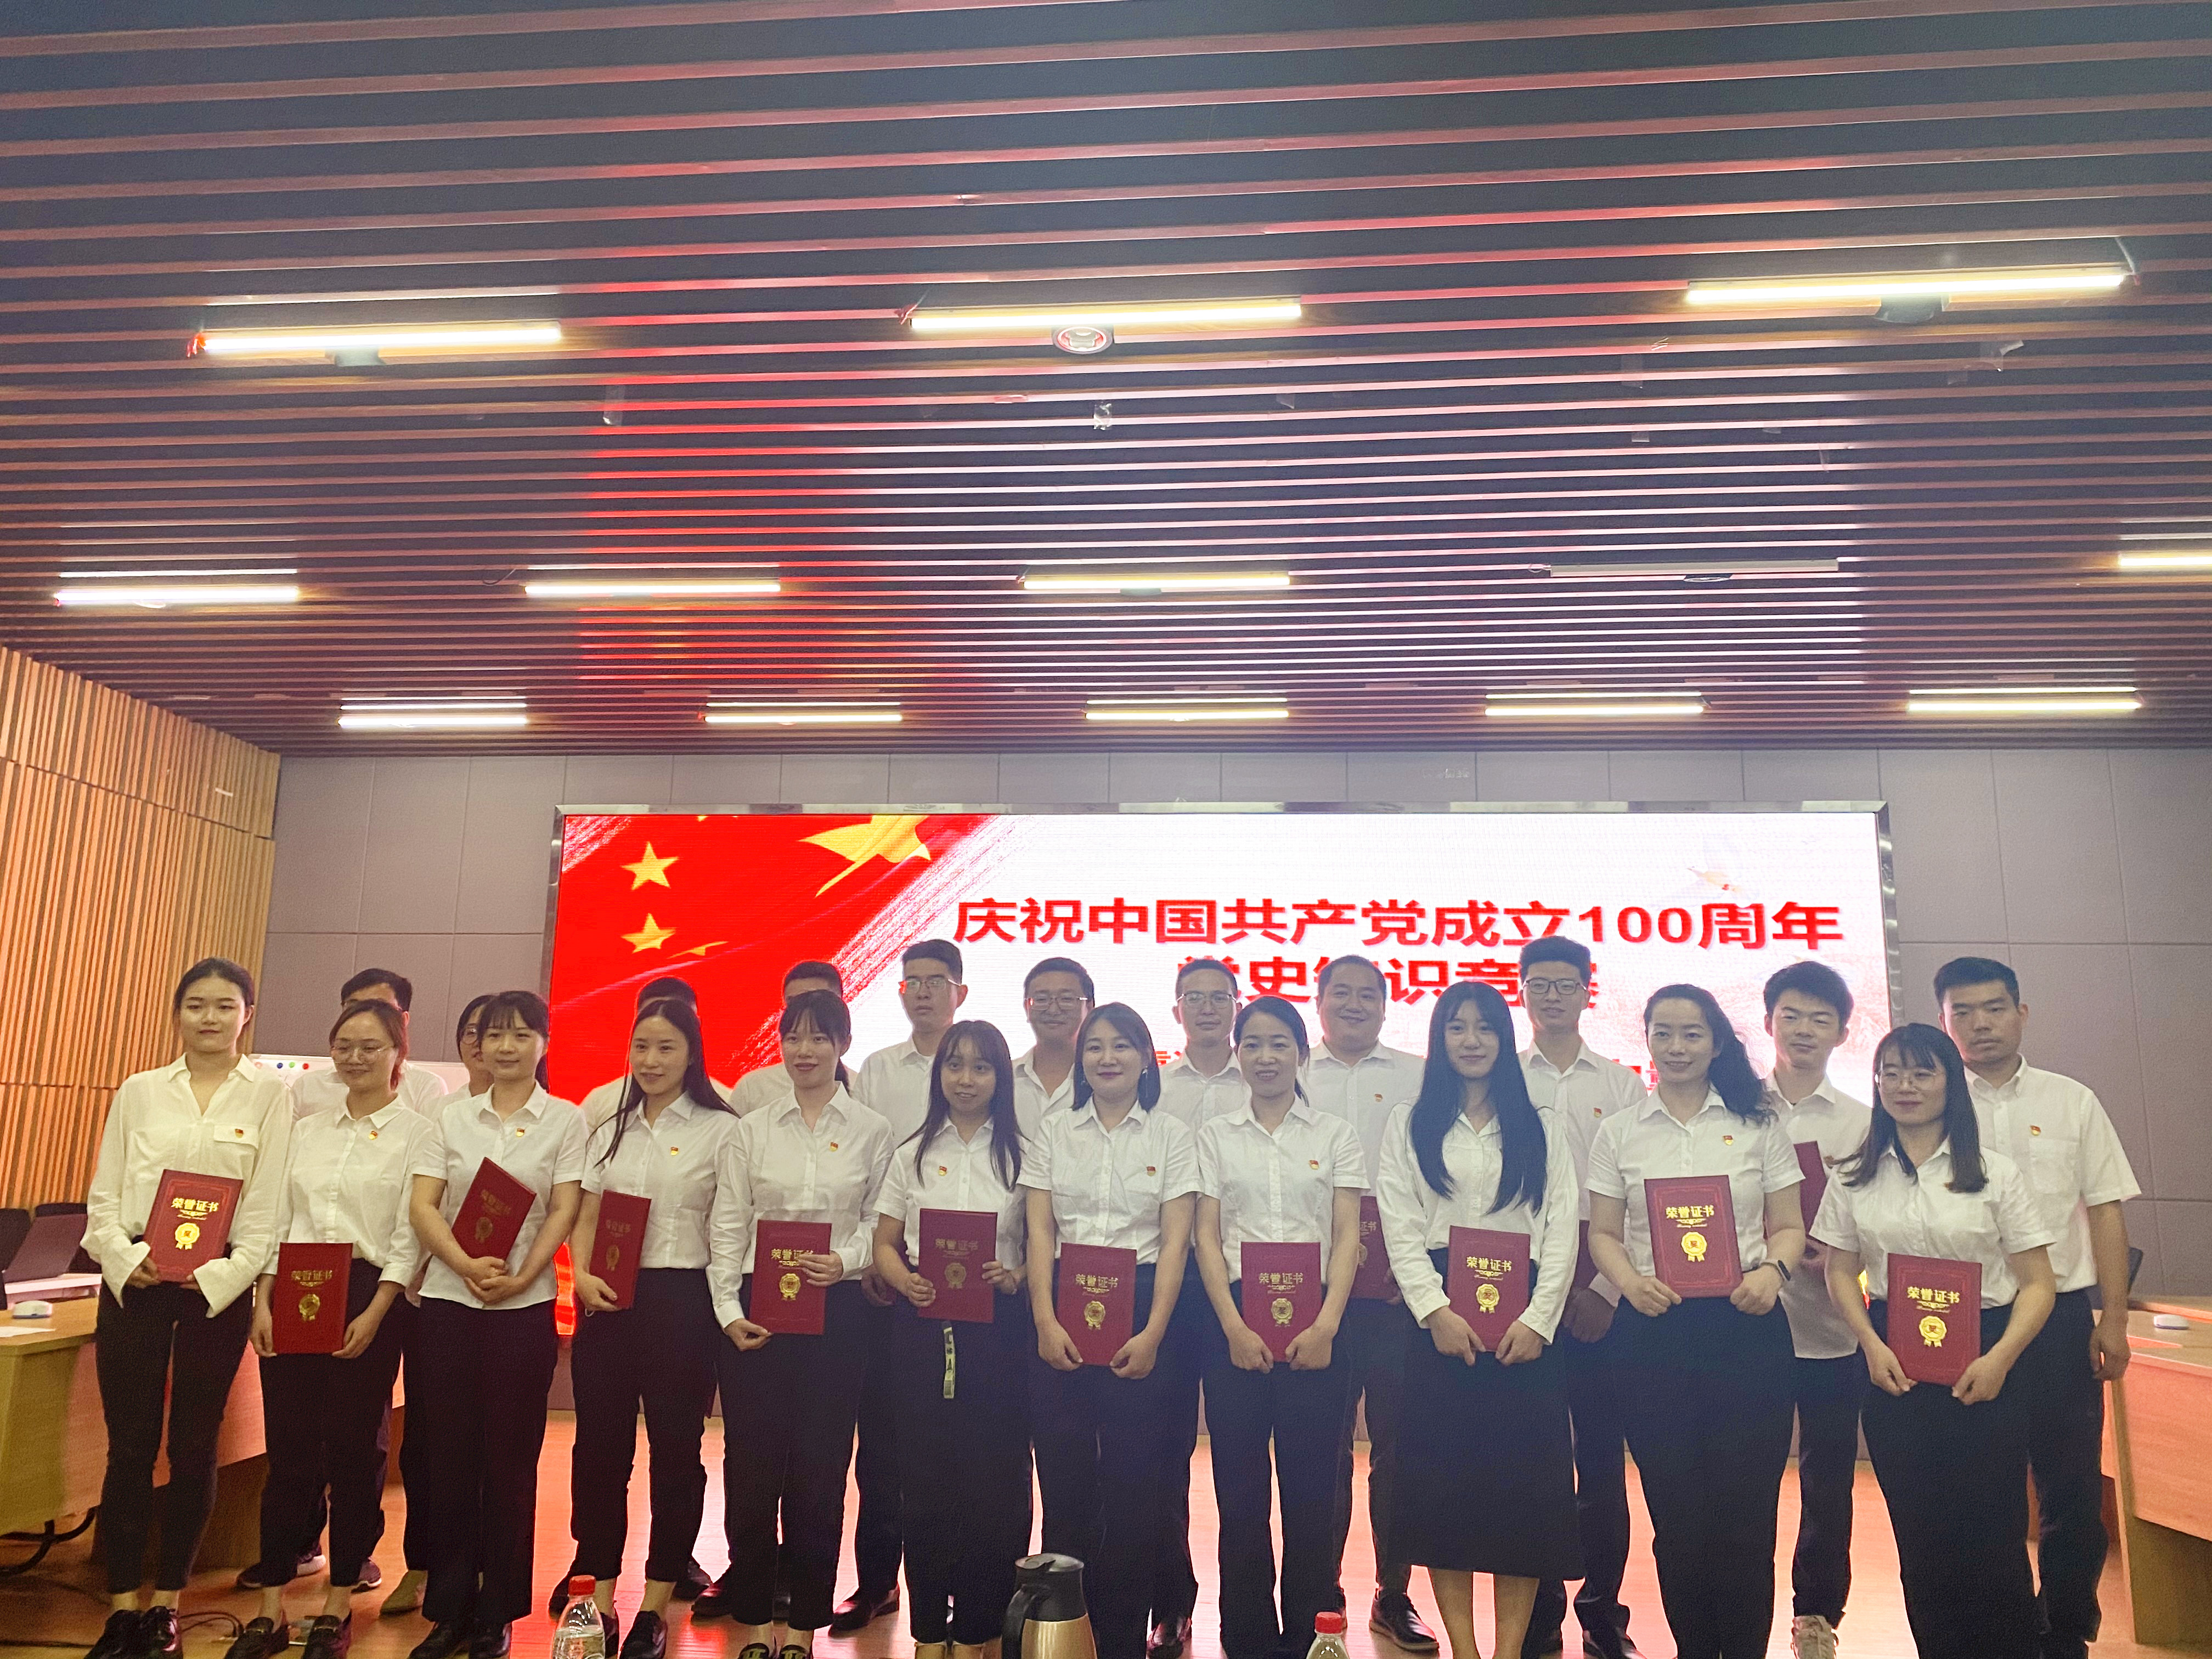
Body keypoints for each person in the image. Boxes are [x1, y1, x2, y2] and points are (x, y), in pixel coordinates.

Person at [1813, 1024, 2059, 1657]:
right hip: (1894, 1363)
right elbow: (1839, 1270)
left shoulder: (1995, 1174)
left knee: (1993, 1538)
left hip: (1987, 1361)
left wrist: (2001, 1358)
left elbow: (2038, 1284)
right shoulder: (1855, 1176)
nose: (1906, 1085)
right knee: (1922, 1541)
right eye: (1892, 1071)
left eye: (1923, 1072)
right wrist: (1868, 1342)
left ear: (1951, 1082)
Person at [1585, 984, 1807, 1659]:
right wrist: (1630, 1284)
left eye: (1692, 1034)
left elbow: (1790, 1225)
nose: (1676, 1047)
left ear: (1716, 1043)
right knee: (1677, 1517)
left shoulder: (1760, 1124)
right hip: (1653, 1333)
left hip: (1746, 1330)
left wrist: (1773, 1273)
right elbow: (1603, 1233)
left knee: (1747, 1517)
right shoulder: (1620, 1131)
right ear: (1647, 1040)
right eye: (1664, 1033)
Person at [81, 958, 293, 1659]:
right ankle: (121, 1610)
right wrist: (123, 1257)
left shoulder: (269, 1097)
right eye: (196, 1004)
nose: (210, 1017)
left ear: (246, 1015)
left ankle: (166, 1607)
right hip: (137, 1284)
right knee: (129, 1447)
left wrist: (223, 1275)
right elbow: (105, 1195)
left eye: (225, 1005)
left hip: (214, 1293)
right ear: (177, 1013)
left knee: (195, 1446)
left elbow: (266, 1204)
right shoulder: (140, 1091)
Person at [1937, 957, 2139, 1659]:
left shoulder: (2071, 1101)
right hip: (1964, 1320)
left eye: (1994, 1008)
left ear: (2022, 1013)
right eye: (1963, 1012)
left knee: (2071, 1487)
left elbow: (2105, 1210)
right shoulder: (1930, 1104)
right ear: (1943, 1022)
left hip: (2058, 1322)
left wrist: (2113, 1319)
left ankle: (2064, 1631)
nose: (1980, 1024)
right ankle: (2002, 1632)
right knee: (1981, 1488)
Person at [1375, 981, 1581, 1659]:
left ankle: (1507, 1651)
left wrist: (1541, 1319)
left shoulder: (1541, 1125)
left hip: (1525, 1322)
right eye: (1457, 1028)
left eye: (1485, 1028)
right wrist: (1433, 1310)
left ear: (1504, 1037)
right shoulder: (1410, 1122)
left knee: (1524, 1500)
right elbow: (1400, 1224)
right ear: (1439, 1039)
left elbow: (1561, 1229)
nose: (1471, 1041)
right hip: (1441, 1323)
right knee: (1446, 1496)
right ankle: (1464, 1650)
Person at [230, 999, 432, 1659]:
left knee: (353, 1450)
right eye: (344, 1045)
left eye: (371, 1046)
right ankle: (270, 1608)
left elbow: (408, 1235)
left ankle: (339, 1601)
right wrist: (262, 1300)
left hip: (370, 1294)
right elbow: (276, 1218)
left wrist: (377, 1312)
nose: (355, 1057)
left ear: (398, 1053)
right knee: (288, 1451)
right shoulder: (306, 1129)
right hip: (294, 1288)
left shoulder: (418, 1134)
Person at [706, 991, 895, 1659]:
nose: (804, 1051)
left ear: (843, 1045)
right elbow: (729, 1223)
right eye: (793, 1037)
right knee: (753, 1473)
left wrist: (845, 1259)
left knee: (820, 1474)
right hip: (757, 1312)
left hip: (837, 1311)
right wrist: (729, 1312)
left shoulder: (872, 1129)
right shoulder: (751, 1129)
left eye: (819, 1038)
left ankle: (803, 1632)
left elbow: (878, 1220)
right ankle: (756, 1626)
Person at [404, 990, 586, 1659]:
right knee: (448, 1458)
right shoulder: (449, 1117)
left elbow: (565, 1208)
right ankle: (448, 1608)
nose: (506, 1047)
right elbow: (424, 1205)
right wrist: (461, 1263)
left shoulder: (566, 1120)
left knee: (510, 1463)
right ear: (479, 1046)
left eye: (521, 1034)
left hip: (524, 1309)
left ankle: (498, 1612)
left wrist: (523, 1274)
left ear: (543, 1043)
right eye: (494, 1035)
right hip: (448, 1306)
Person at [560, 996, 741, 1659]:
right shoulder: (608, 1119)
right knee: (599, 1453)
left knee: (676, 1454)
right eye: (641, 1046)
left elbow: (728, 1226)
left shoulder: (722, 1128)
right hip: (609, 1300)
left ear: (692, 1053)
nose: (651, 1060)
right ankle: (597, 1600)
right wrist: (581, 1275)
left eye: (666, 1047)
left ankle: (657, 1602)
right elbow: (585, 1208)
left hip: (682, 1302)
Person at [1022, 1003, 1199, 1659]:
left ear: (1146, 1057)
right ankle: (1064, 1634)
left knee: (1134, 1486)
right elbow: (1040, 1233)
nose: (1106, 1058)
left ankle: (1122, 1637)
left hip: (1145, 1309)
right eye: (1094, 1046)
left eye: (1121, 1045)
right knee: (1065, 1482)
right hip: (1063, 1305)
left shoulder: (1172, 1135)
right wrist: (1044, 1321)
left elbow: (1176, 1243)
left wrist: (1153, 1334)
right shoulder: (1054, 1131)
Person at [1193, 997, 1365, 1659]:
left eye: (1279, 1044)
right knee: (1239, 1496)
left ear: (1301, 1053)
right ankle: (1246, 1637)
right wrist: (1233, 1327)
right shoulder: (1215, 1135)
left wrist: (1327, 1326)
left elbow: (1347, 1237)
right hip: (1234, 1323)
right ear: (1237, 1054)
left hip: (1318, 1325)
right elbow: (1207, 1240)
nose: (1266, 1058)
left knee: (1312, 1495)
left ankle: (1310, 1636)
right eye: (1253, 1045)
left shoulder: (1335, 1135)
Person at [871, 1020, 1036, 1659]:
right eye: (954, 1065)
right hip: (922, 1331)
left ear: (1001, 1078)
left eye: (981, 1067)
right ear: (939, 1074)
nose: (966, 1079)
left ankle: (976, 1629)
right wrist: (904, 1280)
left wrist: (1015, 1276)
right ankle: (927, 1632)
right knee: (925, 1483)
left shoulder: (1025, 1155)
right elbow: (886, 1244)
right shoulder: (912, 1153)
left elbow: (1042, 1247)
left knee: (995, 1483)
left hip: (1000, 1336)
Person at [1514, 938, 1646, 1659]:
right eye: (1540, 984)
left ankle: (1602, 1614)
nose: (1553, 996)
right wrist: (1537, 1294)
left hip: (1601, 1293)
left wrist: (1603, 1290)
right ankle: (1537, 1619)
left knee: (1600, 1464)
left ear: (1588, 992)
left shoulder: (1623, 1086)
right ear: (1522, 990)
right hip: (1521, 1291)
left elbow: (1642, 1200)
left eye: (1567, 984)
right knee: (1534, 1464)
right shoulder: (1502, 1079)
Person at [1303, 956, 1435, 1656]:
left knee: (1399, 1448)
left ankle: (1395, 1592)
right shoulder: (1294, 1071)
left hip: (1397, 1291)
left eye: (1367, 995)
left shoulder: (1418, 1076)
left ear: (1387, 1005)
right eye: (1341, 994)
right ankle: (1320, 1592)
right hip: (1308, 1291)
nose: (1353, 1005)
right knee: (1321, 1447)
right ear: (1318, 1001)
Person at [839, 939, 969, 1633]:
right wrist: (873, 1261)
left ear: (960, 992)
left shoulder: (983, 1063)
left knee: (960, 1442)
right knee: (884, 1439)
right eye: (911, 981)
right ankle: (875, 1582)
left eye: (935, 981)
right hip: (891, 1277)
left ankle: (964, 1583)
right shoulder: (878, 1071)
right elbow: (864, 1170)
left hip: (973, 1288)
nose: (922, 992)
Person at [1757, 962, 1872, 1659]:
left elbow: (1876, 1213)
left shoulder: (1862, 1120)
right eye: (1791, 1016)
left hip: (1831, 1327)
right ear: (1769, 1022)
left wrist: (1834, 1245)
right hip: (1750, 1322)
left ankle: (1817, 1615)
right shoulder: (1736, 1108)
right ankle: (1742, 1609)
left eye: (1819, 1019)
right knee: (1747, 1478)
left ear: (1842, 1033)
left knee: (1828, 1481)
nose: (1803, 1030)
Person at [377, 993, 496, 1624]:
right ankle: (423, 1565)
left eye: (497, 1032)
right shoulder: (439, 1115)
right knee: (426, 1443)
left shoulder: (550, 1118)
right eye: (472, 1032)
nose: (483, 1043)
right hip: (437, 1298)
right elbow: (415, 1206)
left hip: (507, 1298)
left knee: (494, 1445)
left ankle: (485, 1569)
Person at [1149, 957, 1243, 1659]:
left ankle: (1267, 1614)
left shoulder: (1266, 1074)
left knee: (1244, 1459)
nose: (1208, 1009)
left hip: (1252, 1292)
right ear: (1177, 1010)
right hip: (1172, 1291)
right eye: (1194, 998)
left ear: (1238, 1005)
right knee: (1164, 1451)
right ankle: (1170, 1605)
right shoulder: (1156, 1088)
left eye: (1220, 997)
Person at [287, 969, 448, 1122]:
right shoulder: (308, 1086)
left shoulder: (424, 1086)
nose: (364, 1015)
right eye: (353, 1007)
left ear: (403, 1020)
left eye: (380, 1008)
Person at [580, 978, 733, 1128]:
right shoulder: (600, 1104)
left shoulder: (727, 1108)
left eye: (665, 1048)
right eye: (650, 1015)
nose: (650, 1061)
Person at [728, 961, 843, 1117]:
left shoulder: (861, 1087)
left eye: (817, 1001)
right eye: (793, 1003)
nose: (803, 1011)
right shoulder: (754, 1087)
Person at [1013, 956, 1095, 1136]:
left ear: (1089, 1007)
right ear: (1027, 1007)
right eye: (1041, 999)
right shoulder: (1003, 1077)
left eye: (1066, 999)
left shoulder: (1104, 1079)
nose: (1053, 1010)